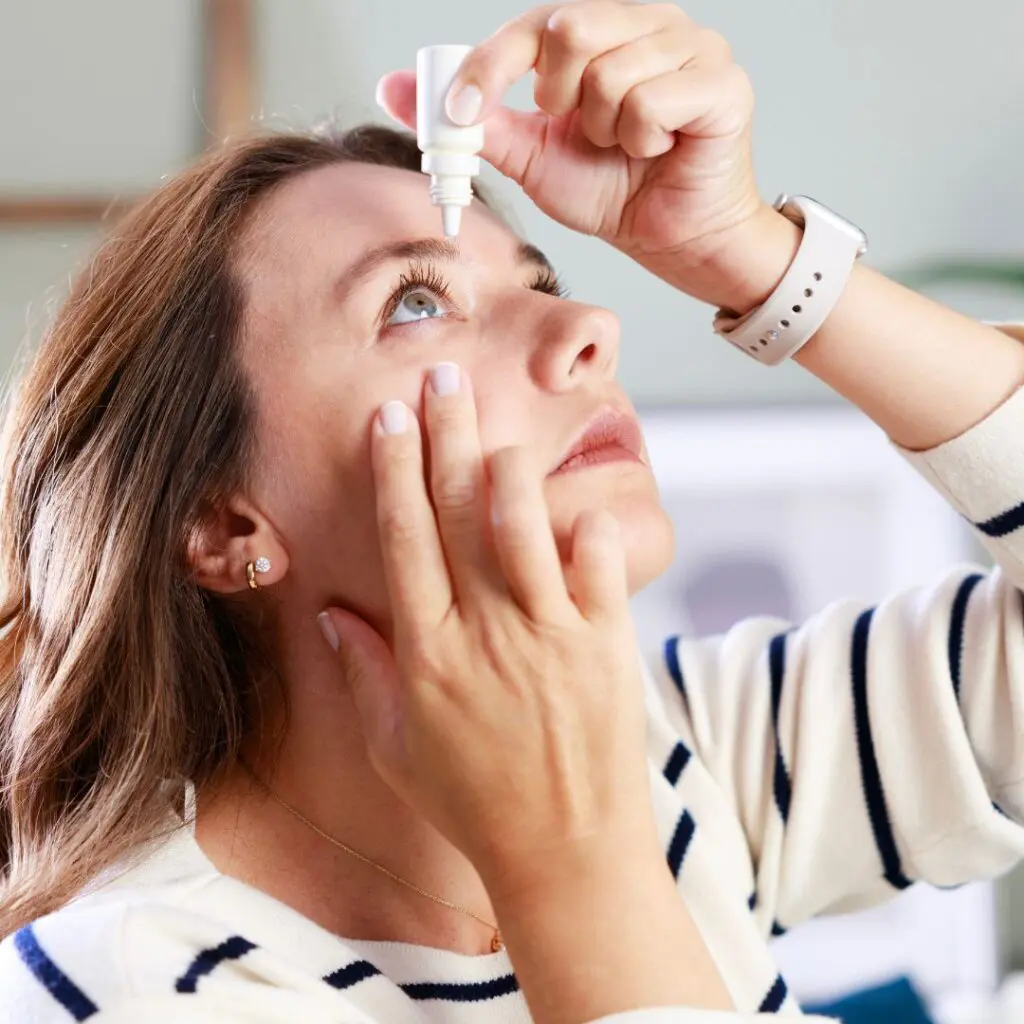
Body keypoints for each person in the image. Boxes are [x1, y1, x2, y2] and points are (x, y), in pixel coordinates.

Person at [1, 3, 1023, 1022]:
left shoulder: (674, 761)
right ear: (224, 527)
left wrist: (754, 256)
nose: (588, 325)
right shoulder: (133, 988)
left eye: (541, 279)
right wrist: (567, 855)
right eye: (413, 302)